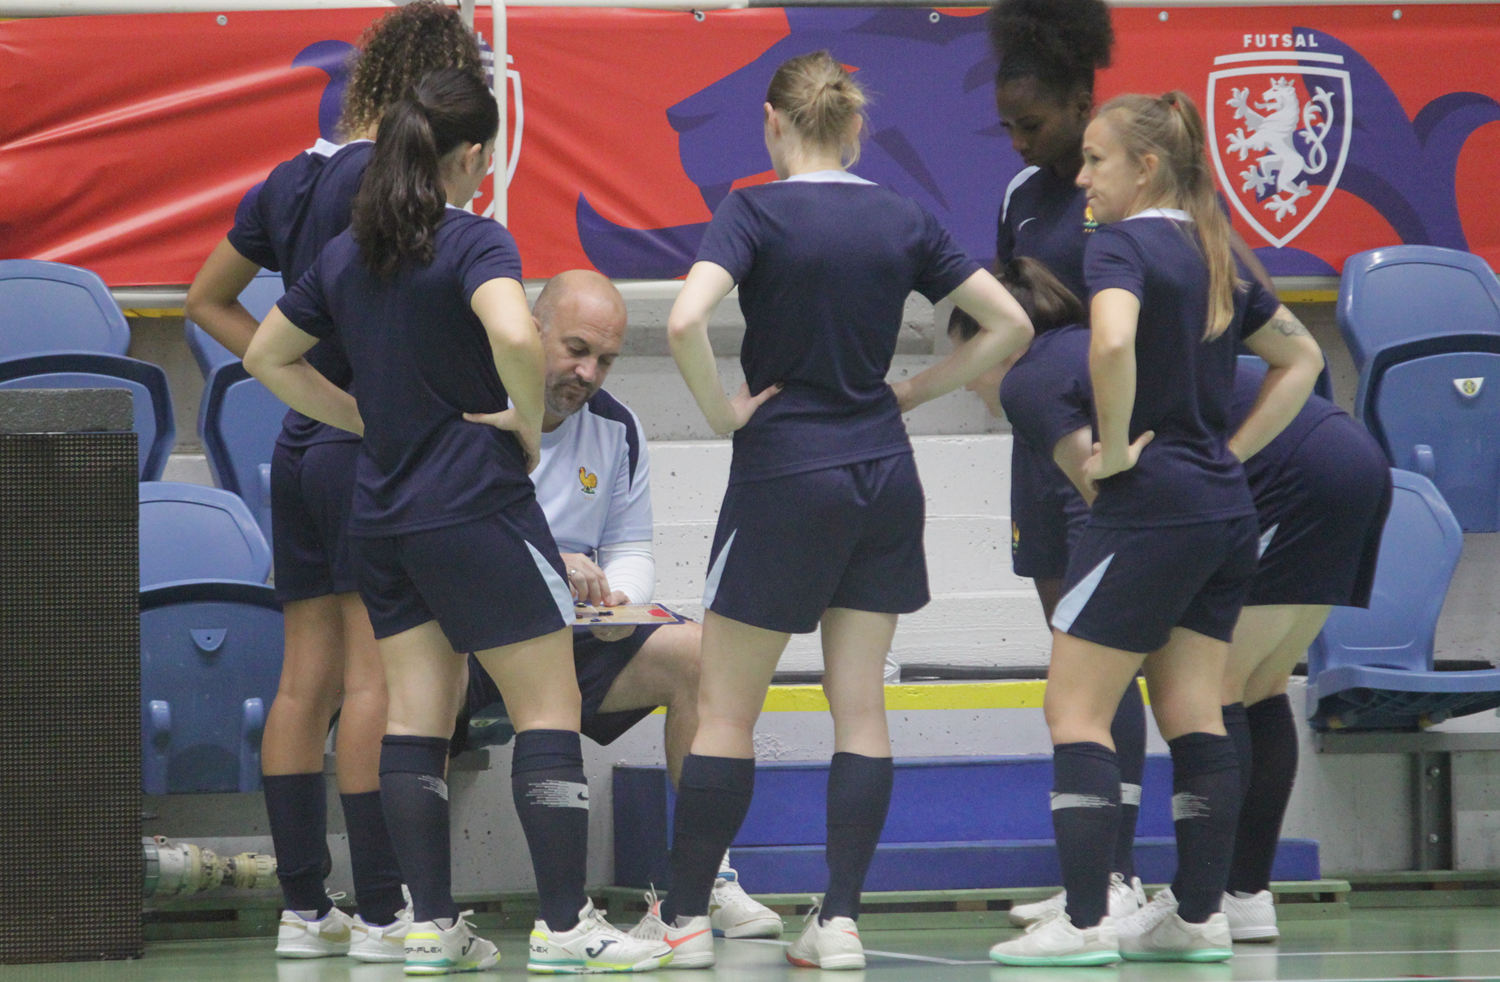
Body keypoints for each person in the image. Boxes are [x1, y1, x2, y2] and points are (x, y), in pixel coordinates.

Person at [244, 68, 672, 975]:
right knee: (549, 702)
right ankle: (565, 927)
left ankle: (429, 924)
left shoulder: (351, 253)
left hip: (383, 514)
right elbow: (518, 336)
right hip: (473, 506)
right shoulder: (476, 239)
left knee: (416, 714)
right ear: (475, 155)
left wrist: (362, 417)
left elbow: (263, 353)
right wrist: (522, 422)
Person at [620, 51, 1034, 972]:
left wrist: (720, 411)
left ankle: (685, 918)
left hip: (784, 472)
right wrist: (917, 392)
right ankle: (840, 922)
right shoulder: (900, 214)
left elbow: (686, 322)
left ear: (773, 122)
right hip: (883, 477)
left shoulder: (753, 210)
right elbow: (1010, 323)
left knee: (726, 708)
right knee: (863, 710)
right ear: (856, 129)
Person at [959, 258, 1393, 948]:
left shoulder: (1036, 379)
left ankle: (1191, 907)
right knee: (1258, 687)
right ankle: (1236, 897)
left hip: (1289, 470)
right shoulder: (1079, 351)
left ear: (983, 341)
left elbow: (1112, 508)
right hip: (1347, 455)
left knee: (1207, 693)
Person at [987, 91, 1325, 967]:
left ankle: (1087, 920)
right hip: (1222, 508)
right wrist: (1232, 447)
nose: (1084, 179)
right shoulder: (1215, 248)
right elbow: (1305, 361)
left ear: (1144, 166)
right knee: (1192, 709)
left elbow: (1108, 344)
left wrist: (1114, 453)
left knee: (1074, 706)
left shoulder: (1124, 244)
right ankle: (1200, 916)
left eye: (1097, 161)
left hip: (1151, 510)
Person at [182, 1, 486, 961]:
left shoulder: (291, 175)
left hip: (300, 452)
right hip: (367, 450)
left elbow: (206, 299)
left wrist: (296, 387)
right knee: (374, 685)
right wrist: (361, 400)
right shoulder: (392, 185)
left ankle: (306, 910)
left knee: (301, 681)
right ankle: (386, 908)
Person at [454, 269, 783, 940]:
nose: (589, 371)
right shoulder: (473, 402)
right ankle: (412, 903)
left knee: (701, 655)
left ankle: (702, 884)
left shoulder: (617, 427)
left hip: (569, 631)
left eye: (605, 359)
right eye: (575, 348)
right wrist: (547, 563)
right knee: (410, 666)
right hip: (472, 631)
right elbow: (450, 537)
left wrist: (621, 603)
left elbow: (630, 545)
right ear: (531, 329)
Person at [985, 0, 1150, 919]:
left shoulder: (1126, 186)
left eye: (1033, 123)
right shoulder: (1018, 197)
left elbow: (1150, 312)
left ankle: (1120, 878)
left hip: (1113, 453)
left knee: (1101, 665)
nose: (1016, 142)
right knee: (1068, 659)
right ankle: (1093, 878)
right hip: (1036, 451)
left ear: (1084, 98)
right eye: (1005, 124)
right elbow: (1005, 311)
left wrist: (1074, 313)